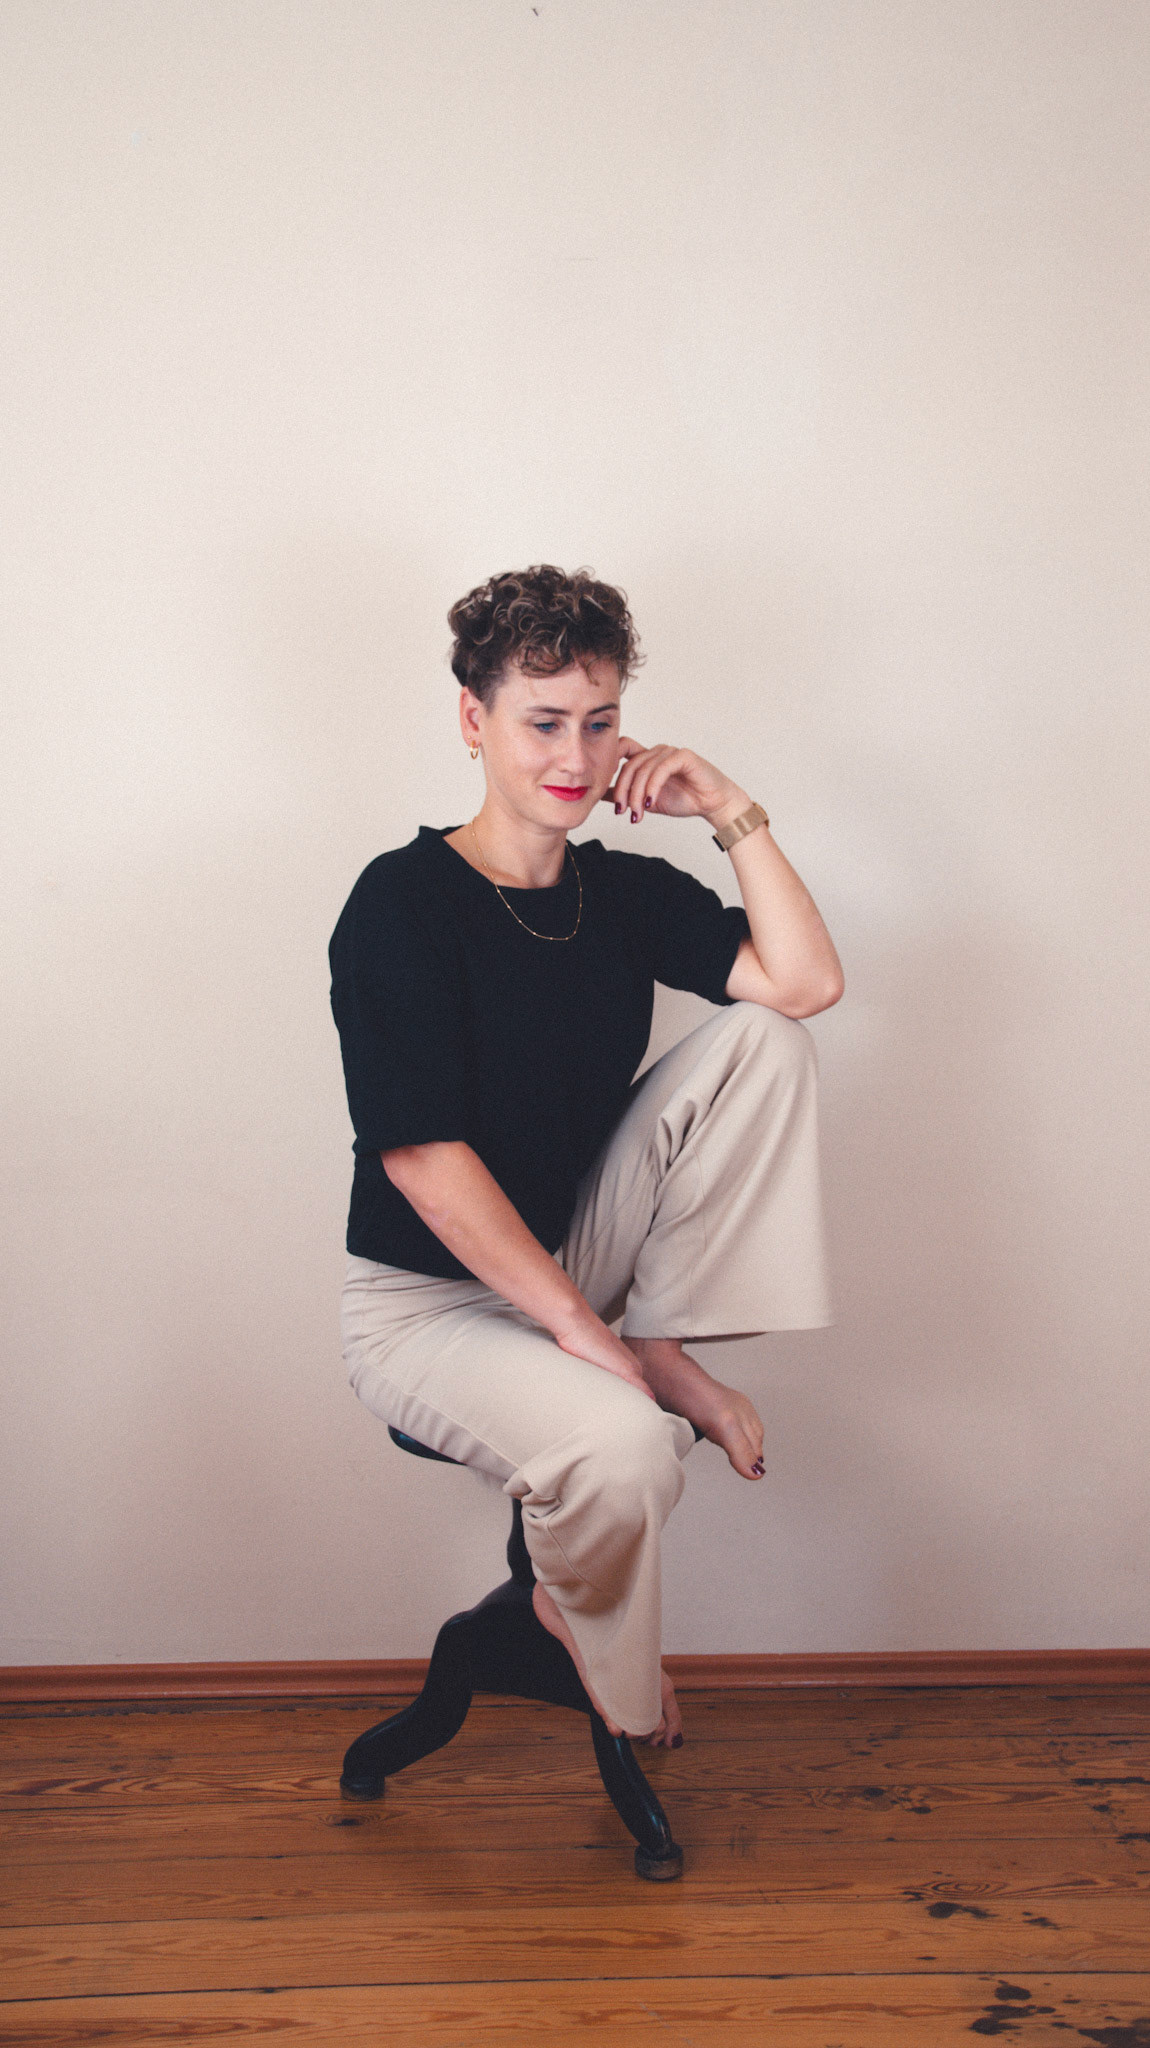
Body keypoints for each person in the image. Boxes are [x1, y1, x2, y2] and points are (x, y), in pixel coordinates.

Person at [330, 565, 843, 1749]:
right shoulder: (401, 902)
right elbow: (421, 1158)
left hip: (569, 1247)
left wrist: (727, 804)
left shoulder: (617, 892)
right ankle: (571, 1605)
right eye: (544, 721)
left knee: (766, 1039)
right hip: (424, 1305)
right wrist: (578, 1330)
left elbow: (804, 982)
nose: (575, 755)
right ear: (473, 718)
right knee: (628, 1449)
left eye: (600, 722)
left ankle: (663, 1345)